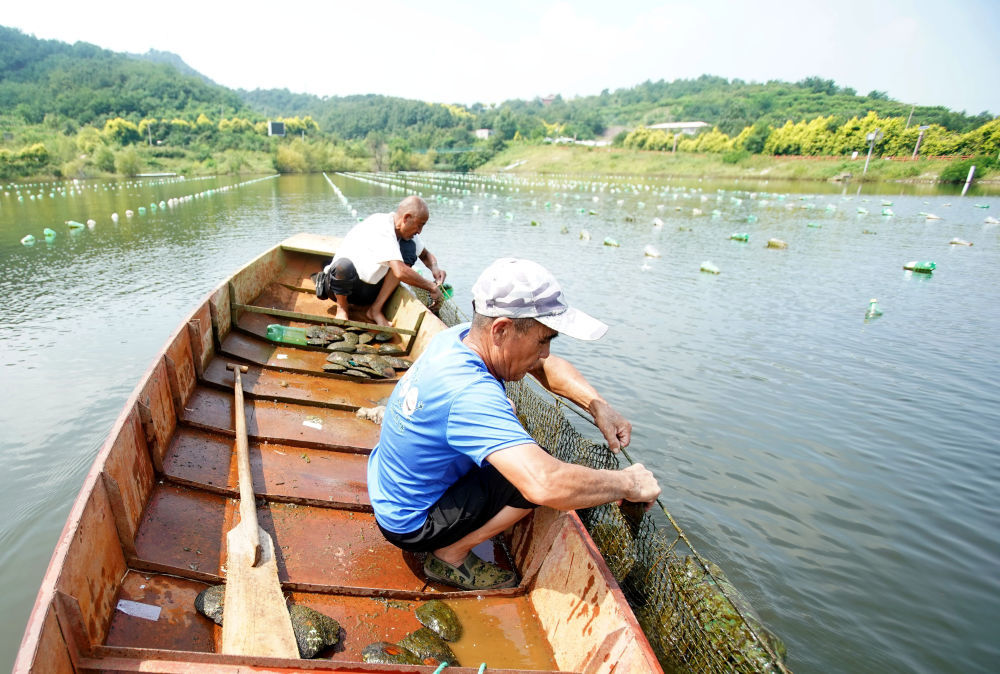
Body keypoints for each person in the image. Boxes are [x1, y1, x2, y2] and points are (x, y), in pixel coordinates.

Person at [367, 258, 661, 590]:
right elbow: (546, 484)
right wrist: (628, 483)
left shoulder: (458, 338)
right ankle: (450, 554)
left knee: (527, 455)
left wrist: (598, 407)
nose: (546, 353)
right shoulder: (470, 393)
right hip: (410, 521)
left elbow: (546, 368)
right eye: (543, 340)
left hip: (389, 488)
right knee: (535, 473)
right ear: (502, 330)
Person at [320, 196, 446, 326]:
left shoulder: (407, 234)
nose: (420, 231)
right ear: (406, 218)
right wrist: (431, 287)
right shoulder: (381, 226)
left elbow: (425, 255)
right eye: (419, 225)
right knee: (343, 266)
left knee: (409, 248)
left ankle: (375, 309)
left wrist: (435, 268)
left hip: (369, 292)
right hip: (340, 288)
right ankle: (342, 309)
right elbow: (400, 272)